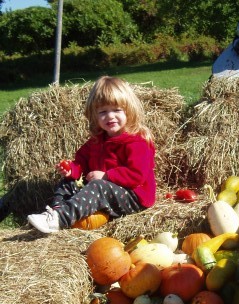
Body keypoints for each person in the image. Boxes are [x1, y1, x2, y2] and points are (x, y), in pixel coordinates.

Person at [27, 76, 156, 233]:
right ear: (94, 115)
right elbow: (82, 163)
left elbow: (137, 175)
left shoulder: (137, 142)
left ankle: (61, 219)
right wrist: (72, 170)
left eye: (116, 110)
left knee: (98, 186)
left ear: (129, 110)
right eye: (103, 112)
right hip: (105, 191)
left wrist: (106, 176)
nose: (110, 116)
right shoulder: (96, 141)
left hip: (134, 197)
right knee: (67, 183)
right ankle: (56, 213)